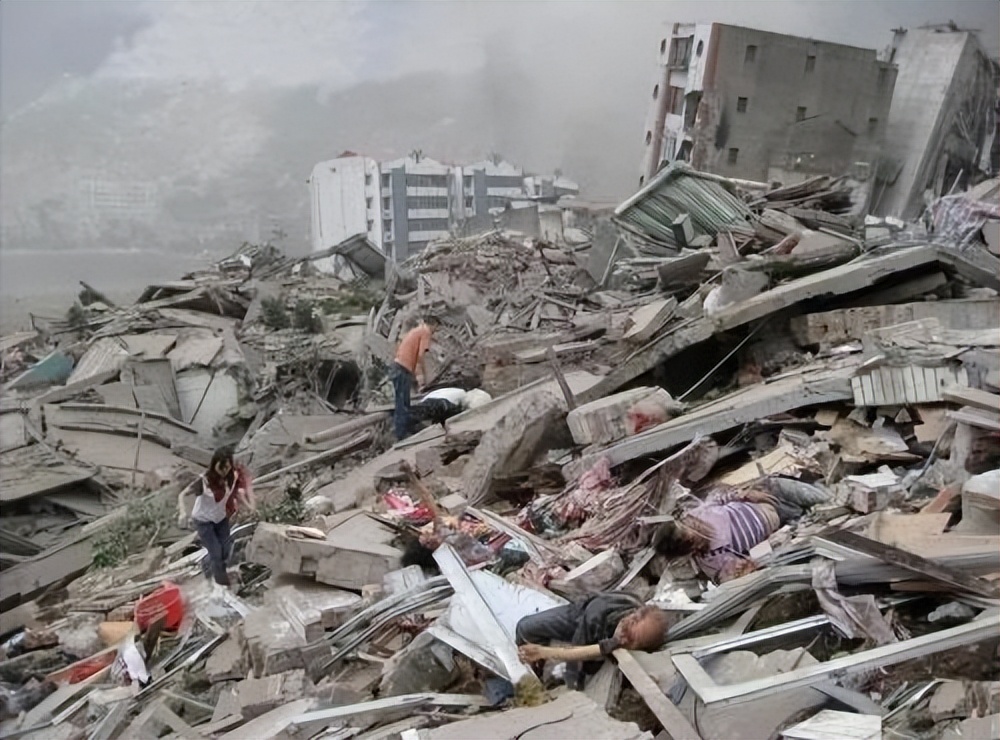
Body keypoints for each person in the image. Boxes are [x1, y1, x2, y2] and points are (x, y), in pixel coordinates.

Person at [515, 592, 669, 690]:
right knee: (525, 627)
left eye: (631, 641)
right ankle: (533, 667)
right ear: (625, 619)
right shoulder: (597, 616)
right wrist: (572, 684)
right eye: (624, 634)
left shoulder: (643, 627)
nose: (622, 641)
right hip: (579, 616)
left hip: (601, 627)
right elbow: (577, 653)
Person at [177, 446, 255, 589]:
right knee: (217, 553)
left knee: (226, 549)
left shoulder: (232, 477)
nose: (224, 472)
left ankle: (207, 564)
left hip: (220, 519)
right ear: (214, 466)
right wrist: (183, 512)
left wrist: (250, 507)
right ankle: (220, 586)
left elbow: (236, 493)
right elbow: (182, 494)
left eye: (227, 468)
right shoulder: (204, 481)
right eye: (221, 468)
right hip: (204, 521)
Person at [392, 317, 438, 440]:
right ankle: (401, 435)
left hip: (398, 366)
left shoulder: (416, 330)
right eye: (436, 328)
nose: (435, 331)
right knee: (402, 403)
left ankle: (406, 428)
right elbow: (421, 356)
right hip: (403, 368)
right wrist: (422, 377)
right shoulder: (426, 332)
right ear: (433, 325)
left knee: (404, 401)